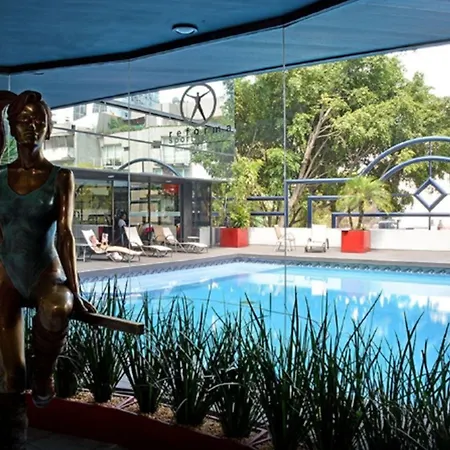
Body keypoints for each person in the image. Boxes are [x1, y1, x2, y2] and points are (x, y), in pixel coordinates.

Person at [0, 90, 95, 445]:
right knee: (11, 377)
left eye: (39, 120)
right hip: (6, 274)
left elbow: (65, 235)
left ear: (49, 129)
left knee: (58, 308)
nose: (32, 126)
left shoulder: (60, 176)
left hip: (45, 271)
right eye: (23, 120)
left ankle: (44, 374)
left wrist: (76, 290)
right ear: (12, 127)